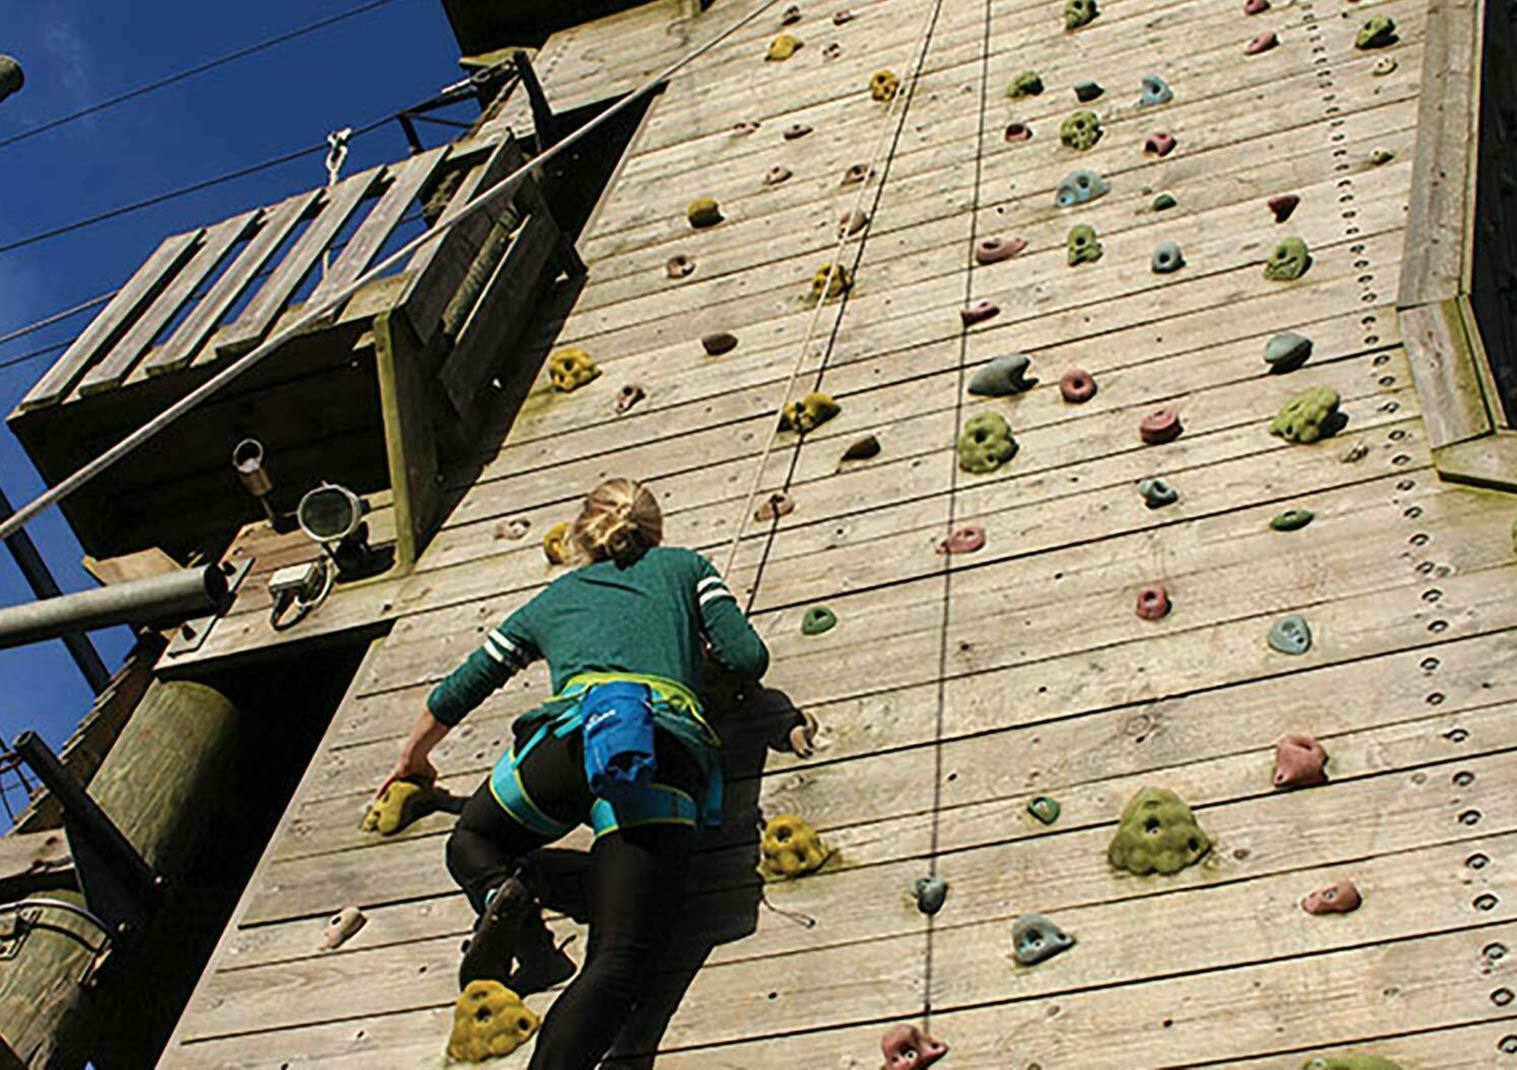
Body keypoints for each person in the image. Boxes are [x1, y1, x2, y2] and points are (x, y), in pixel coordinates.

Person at [378, 477, 769, 1068]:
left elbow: (465, 684)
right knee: (618, 961)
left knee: (475, 838)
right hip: (655, 753)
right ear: (654, 530)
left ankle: (498, 890)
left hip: (567, 743)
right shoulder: (688, 568)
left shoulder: (554, 598)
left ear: (583, 537)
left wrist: (413, 759)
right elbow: (748, 658)